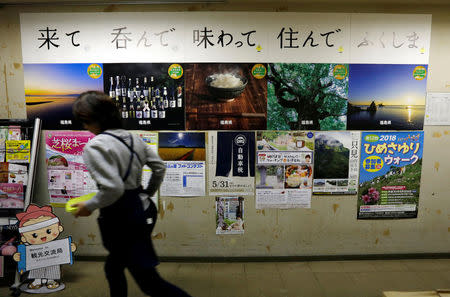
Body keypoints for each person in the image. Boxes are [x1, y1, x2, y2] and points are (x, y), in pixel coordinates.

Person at [71, 91, 191, 297]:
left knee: (150, 283)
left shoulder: (96, 145)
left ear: (93, 119)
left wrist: (88, 206)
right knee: (113, 267)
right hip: (140, 208)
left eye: (85, 120)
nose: (84, 126)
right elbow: (159, 168)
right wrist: (146, 193)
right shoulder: (133, 139)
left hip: (120, 218)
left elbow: (113, 189)